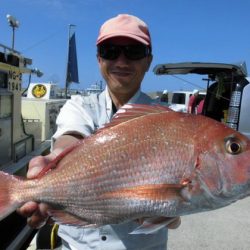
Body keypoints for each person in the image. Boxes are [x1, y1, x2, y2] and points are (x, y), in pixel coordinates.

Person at [18, 14, 181, 250]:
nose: (121, 61)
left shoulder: (169, 119)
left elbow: (175, 217)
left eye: (134, 51)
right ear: (98, 59)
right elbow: (69, 139)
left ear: (148, 61)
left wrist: (169, 212)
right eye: (110, 50)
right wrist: (55, 160)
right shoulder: (79, 106)